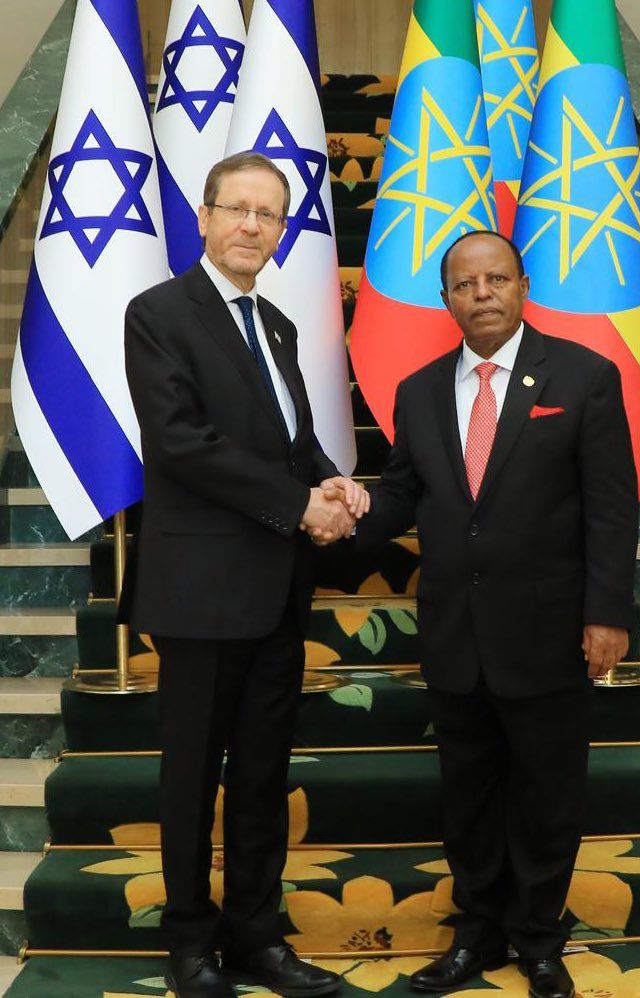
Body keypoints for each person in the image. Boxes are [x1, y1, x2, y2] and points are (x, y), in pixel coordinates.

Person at [349, 231, 638, 998]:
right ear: (445, 298)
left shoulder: (583, 376)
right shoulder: (417, 390)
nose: (481, 294)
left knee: (546, 795)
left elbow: (611, 509)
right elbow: (401, 495)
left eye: (496, 279)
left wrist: (607, 613)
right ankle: (476, 934)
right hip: (455, 632)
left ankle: (538, 940)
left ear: (522, 286)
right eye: (464, 284)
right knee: (469, 795)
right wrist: (343, 509)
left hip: (550, 630)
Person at [120, 151, 367, 998]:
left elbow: (288, 445)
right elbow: (182, 443)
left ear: (282, 230)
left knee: (263, 774)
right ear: (205, 216)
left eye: (269, 214)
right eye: (238, 209)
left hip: (275, 589)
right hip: (198, 592)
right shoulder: (158, 314)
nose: (252, 226)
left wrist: (331, 482)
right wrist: (299, 505)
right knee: (191, 778)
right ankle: (189, 943)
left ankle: (257, 937)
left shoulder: (279, 325)